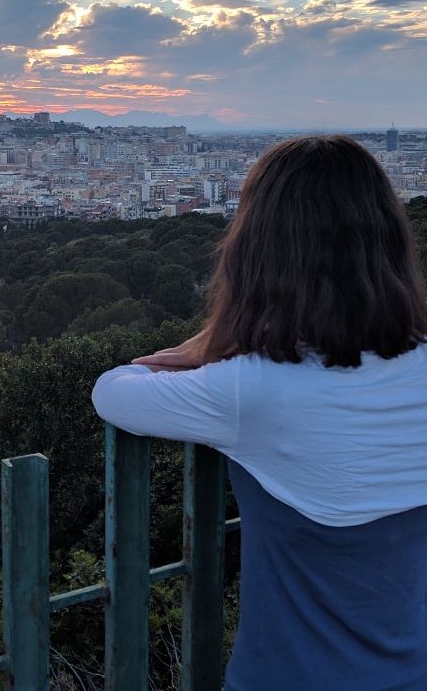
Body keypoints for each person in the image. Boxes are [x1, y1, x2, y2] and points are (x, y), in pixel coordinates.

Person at [91, 134, 427, 691]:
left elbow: (114, 391)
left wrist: (211, 343)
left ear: (258, 252)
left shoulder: (251, 390)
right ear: (388, 244)